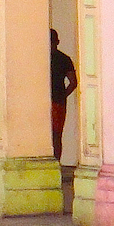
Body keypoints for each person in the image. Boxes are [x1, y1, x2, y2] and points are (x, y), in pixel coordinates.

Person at [50, 28, 77, 161]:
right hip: (58, 100)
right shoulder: (64, 59)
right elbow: (73, 82)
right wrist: (63, 95)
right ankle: (56, 163)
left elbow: (73, 82)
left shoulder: (40, 59)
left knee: (53, 135)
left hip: (52, 100)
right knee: (56, 134)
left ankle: (54, 162)